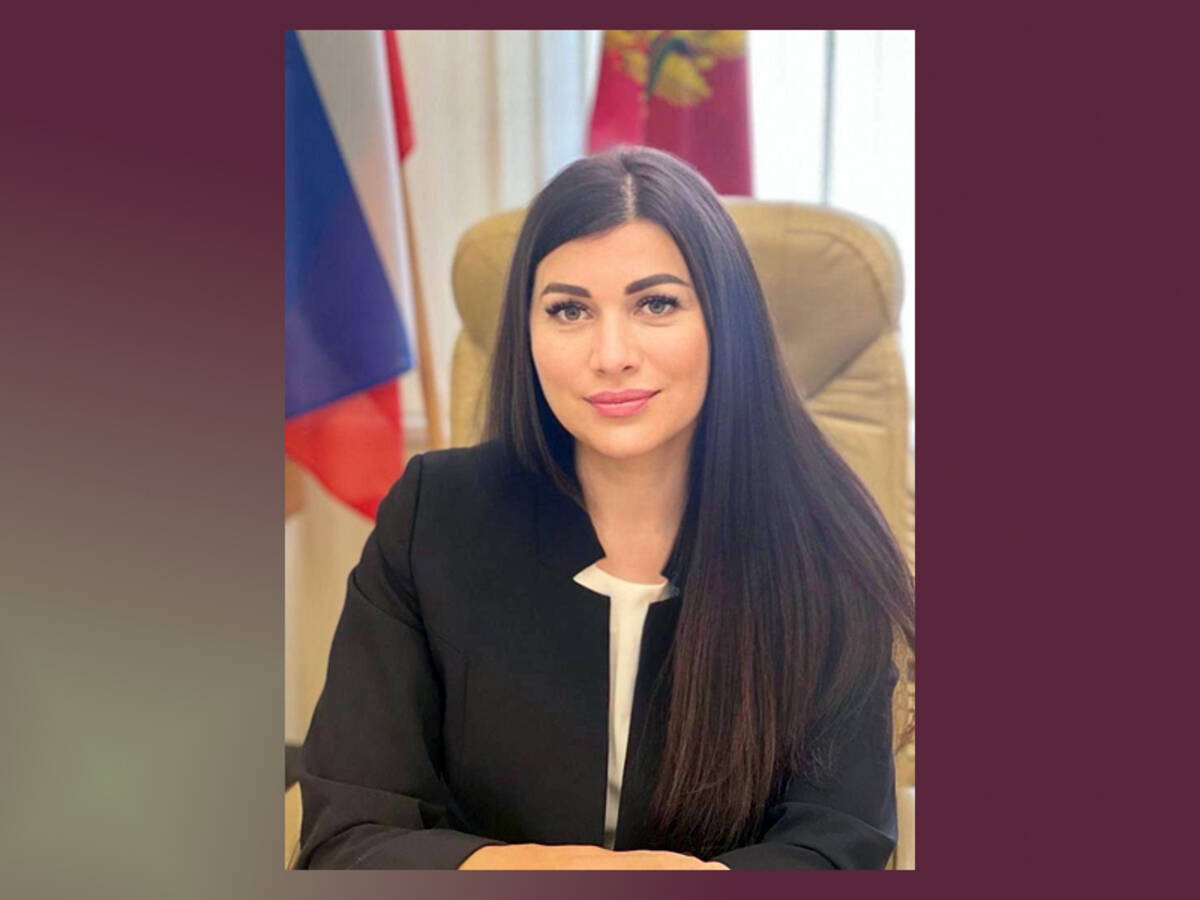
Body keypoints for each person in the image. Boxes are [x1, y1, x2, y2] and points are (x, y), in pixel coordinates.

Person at [296, 146, 915, 870]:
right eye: (569, 310)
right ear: (527, 333)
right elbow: (348, 835)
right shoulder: (432, 516)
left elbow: (837, 845)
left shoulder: (823, 544)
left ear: (727, 321)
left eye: (656, 304)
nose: (611, 354)